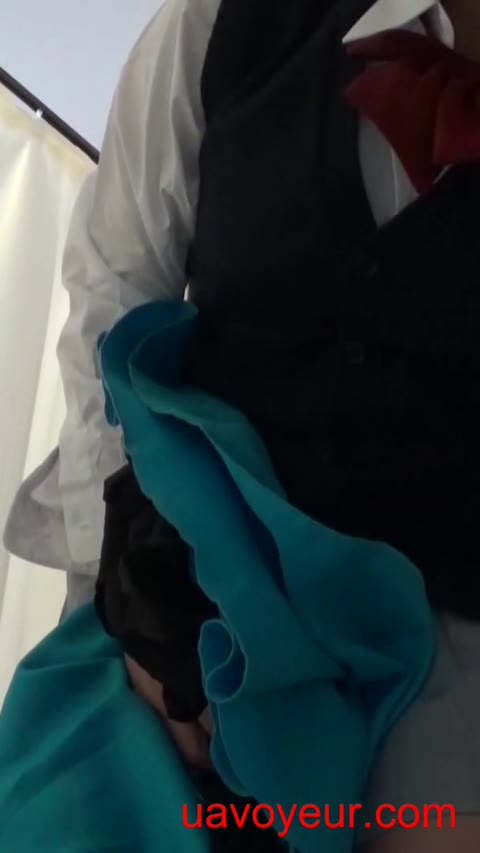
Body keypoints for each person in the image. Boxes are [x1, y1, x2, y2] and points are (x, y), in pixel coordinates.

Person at [3, 0, 480, 851]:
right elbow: (114, 287)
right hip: (186, 606)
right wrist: (135, 595)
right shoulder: (221, 20)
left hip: (449, 681)